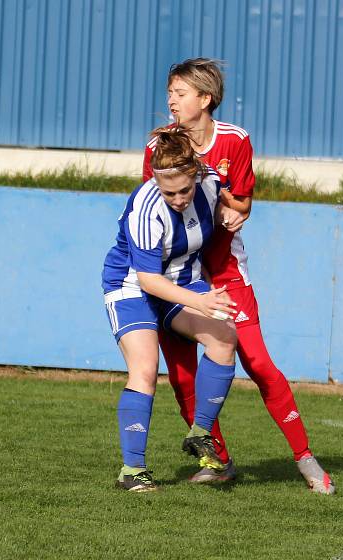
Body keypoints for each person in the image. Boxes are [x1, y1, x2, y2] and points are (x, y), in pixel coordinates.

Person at [142, 58, 334, 494]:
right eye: (169, 92)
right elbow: (152, 204)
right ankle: (218, 460)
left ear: (205, 99)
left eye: (180, 92)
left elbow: (243, 204)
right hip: (177, 276)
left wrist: (234, 209)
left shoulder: (235, 140)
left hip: (227, 274)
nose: (171, 100)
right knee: (184, 378)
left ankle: (305, 458)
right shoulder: (159, 147)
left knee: (260, 364)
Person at [102, 126, 240, 492]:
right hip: (133, 286)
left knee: (225, 337)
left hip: (181, 280)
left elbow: (238, 200)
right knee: (145, 370)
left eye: (185, 190)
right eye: (169, 192)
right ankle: (132, 471)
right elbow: (148, 280)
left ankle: (200, 433)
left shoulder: (209, 182)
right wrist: (203, 301)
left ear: (195, 175)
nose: (178, 199)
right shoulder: (145, 209)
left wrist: (235, 211)